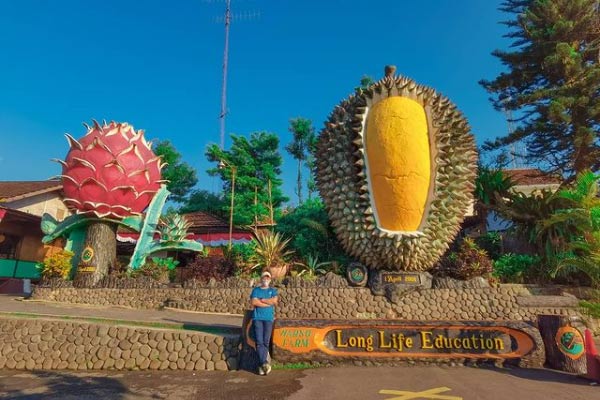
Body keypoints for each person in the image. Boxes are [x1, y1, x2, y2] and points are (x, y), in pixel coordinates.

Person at [250, 270, 278, 375]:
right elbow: (253, 302)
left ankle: (262, 367)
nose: (266, 279)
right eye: (264, 277)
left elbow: (275, 302)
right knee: (259, 342)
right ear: (261, 279)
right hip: (258, 318)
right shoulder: (256, 290)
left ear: (270, 279)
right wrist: (268, 302)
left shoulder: (273, 290)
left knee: (265, 342)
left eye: (268, 277)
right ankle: (264, 362)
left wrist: (262, 300)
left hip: (268, 319)